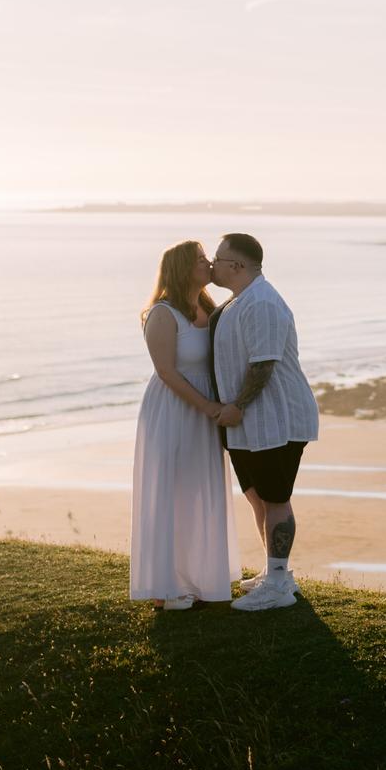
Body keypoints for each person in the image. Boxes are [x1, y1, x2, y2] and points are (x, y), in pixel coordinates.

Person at [210, 232, 319, 612]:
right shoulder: (238, 301)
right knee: (257, 497)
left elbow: (264, 364)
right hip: (248, 422)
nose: (212, 264)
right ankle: (275, 573)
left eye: (218, 258)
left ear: (237, 266)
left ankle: (278, 583)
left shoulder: (262, 303)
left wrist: (237, 405)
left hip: (277, 417)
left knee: (276, 499)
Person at [129, 240, 236, 608]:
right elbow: (167, 372)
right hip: (175, 408)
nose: (209, 264)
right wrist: (207, 406)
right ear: (182, 269)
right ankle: (165, 588)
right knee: (170, 493)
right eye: (201, 260)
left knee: (198, 492)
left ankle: (200, 579)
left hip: (204, 410)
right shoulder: (162, 314)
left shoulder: (208, 307)